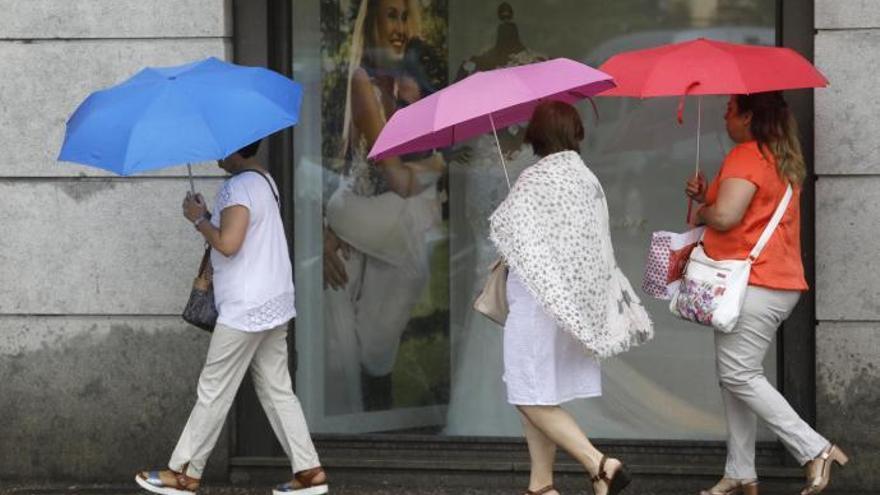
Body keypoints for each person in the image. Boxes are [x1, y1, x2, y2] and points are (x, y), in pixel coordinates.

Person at [135, 141, 327, 495]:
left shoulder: (237, 187)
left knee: (214, 389)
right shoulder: (266, 181)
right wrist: (208, 217)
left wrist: (198, 219)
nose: (216, 154)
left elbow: (229, 244)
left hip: (245, 307)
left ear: (235, 150)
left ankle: (184, 473)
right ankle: (309, 471)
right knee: (277, 389)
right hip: (274, 300)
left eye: (221, 149)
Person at [685, 92, 848, 495]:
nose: (725, 117)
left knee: (738, 374)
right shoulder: (780, 158)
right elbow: (749, 214)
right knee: (735, 377)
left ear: (748, 117)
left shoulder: (745, 154)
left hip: (750, 283)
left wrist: (704, 210)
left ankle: (816, 449)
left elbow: (725, 216)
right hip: (775, 282)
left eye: (729, 110)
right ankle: (740, 472)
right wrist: (705, 197)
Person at [489, 101, 653, 495]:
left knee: (525, 392)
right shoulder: (586, 178)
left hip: (536, 303)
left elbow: (502, 229)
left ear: (535, 136)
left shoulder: (535, 179)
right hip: (570, 305)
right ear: (575, 133)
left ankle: (599, 465)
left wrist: (509, 202)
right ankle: (541, 485)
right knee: (538, 391)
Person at [322, 0, 445, 414]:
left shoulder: (412, 85)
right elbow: (399, 178)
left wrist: (415, 100)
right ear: (373, 21)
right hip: (361, 217)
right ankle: (357, 424)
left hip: (387, 230)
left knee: (378, 335)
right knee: (347, 341)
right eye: (390, 15)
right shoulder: (364, 81)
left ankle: (380, 416)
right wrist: (438, 164)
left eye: (404, 17)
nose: (399, 26)